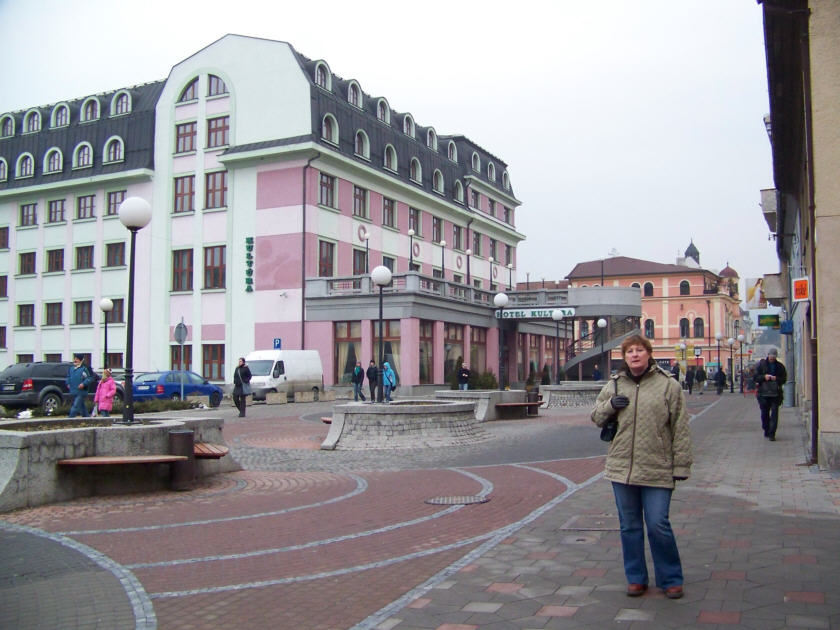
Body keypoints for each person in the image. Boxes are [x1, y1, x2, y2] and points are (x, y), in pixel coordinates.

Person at [591, 334, 692, 600]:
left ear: (649, 354)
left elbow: (680, 427)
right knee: (629, 526)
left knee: (658, 524)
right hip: (622, 466)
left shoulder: (668, 385)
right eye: (629, 351)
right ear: (624, 357)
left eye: (639, 350)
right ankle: (635, 578)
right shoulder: (614, 385)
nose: (634, 355)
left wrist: (681, 465)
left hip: (657, 465)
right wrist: (610, 405)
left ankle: (670, 578)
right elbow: (596, 416)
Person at [754, 348, 787, 441]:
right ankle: (766, 429)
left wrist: (776, 378)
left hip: (776, 394)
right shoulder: (761, 365)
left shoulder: (780, 366)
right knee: (764, 413)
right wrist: (764, 377)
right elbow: (755, 377)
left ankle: (772, 433)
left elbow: (784, 379)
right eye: (770, 357)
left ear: (776, 357)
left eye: (773, 357)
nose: (772, 358)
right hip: (763, 394)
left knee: (774, 413)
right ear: (768, 355)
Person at [66, 354, 95, 418]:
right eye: (74, 358)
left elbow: (90, 378)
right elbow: (68, 376)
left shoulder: (85, 368)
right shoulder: (71, 368)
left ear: (80, 360)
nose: (75, 360)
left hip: (82, 391)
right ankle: (87, 418)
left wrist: (83, 384)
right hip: (74, 390)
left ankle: (70, 419)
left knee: (75, 405)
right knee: (82, 406)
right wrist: (68, 383)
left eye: (77, 359)